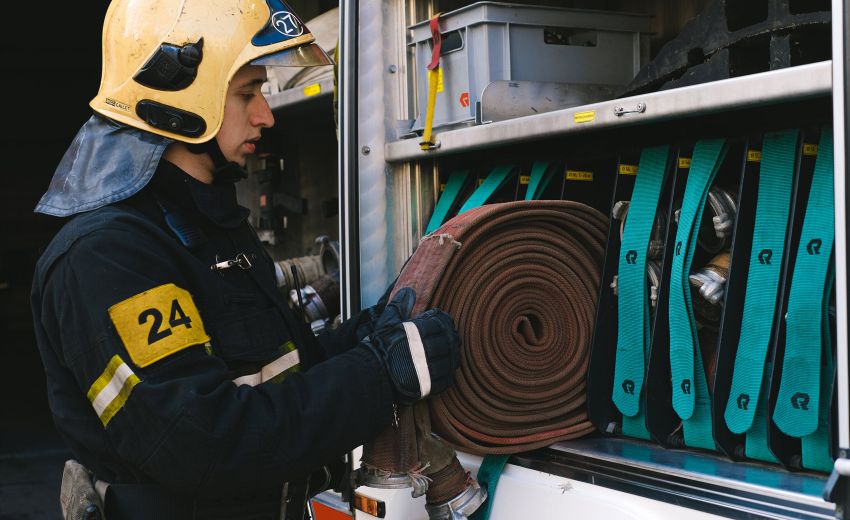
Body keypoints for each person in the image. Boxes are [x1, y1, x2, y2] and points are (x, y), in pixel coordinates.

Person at [30, 1, 461, 519]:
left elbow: (281, 377)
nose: (266, 116)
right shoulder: (107, 257)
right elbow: (206, 441)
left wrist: (371, 334)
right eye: (247, 94)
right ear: (180, 98)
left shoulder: (206, 228)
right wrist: (380, 373)